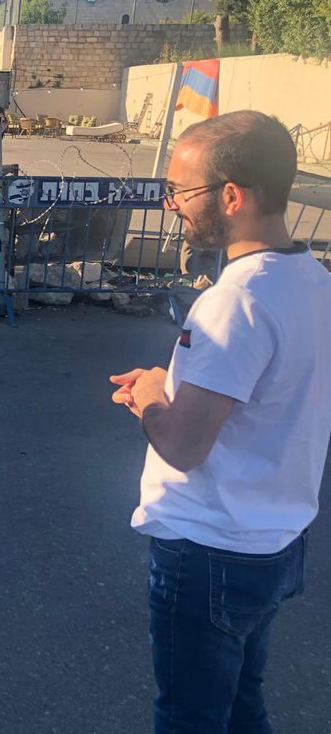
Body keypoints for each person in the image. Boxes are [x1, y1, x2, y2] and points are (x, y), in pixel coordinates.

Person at [109, 110, 331, 733]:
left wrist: (152, 394)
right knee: (241, 708)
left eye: (180, 189)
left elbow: (182, 446)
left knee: (190, 719)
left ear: (231, 195)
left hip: (210, 552)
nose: (171, 203)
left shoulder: (236, 300)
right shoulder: (313, 281)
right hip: (274, 543)